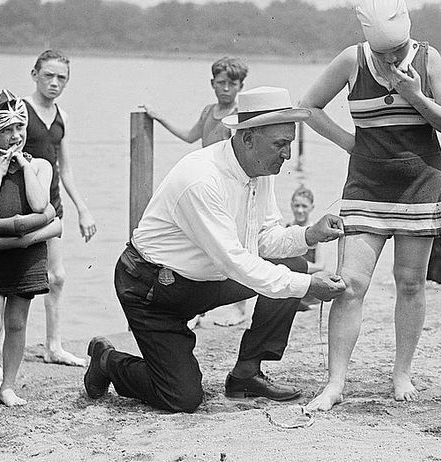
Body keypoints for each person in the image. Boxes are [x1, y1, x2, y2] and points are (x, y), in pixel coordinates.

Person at [82, 86, 347, 413]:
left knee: (293, 265)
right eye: (281, 144)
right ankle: (109, 361)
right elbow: (236, 262)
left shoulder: (259, 167)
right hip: (152, 290)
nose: (288, 155)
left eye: (290, 144)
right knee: (182, 398)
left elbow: (263, 239)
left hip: (205, 281)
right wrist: (309, 286)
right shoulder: (202, 180)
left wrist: (309, 235)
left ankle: (246, 374)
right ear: (247, 138)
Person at [300, 0, 441, 411]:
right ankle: (335, 383)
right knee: (350, 285)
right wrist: (350, 143)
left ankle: (401, 373)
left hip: (420, 185)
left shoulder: (429, 60)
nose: (391, 60)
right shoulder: (352, 59)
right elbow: (309, 107)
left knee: (410, 284)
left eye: (397, 50)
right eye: (384, 52)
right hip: (366, 187)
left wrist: (415, 95)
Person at [0, 90, 62, 406]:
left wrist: (22, 165)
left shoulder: (41, 166)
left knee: (17, 324)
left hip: (26, 256)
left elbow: (39, 203)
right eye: (6, 130)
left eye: (20, 127)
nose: (15, 136)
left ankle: (7, 385)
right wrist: (1, 170)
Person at [141, 56, 250, 328]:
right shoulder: (208, 111)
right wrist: (160, 117)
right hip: (206, 185)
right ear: (212, 83)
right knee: (199, 245)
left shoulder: (239, 114)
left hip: (230, 186)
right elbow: (190, 136)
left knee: (234, 243)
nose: (226, 88)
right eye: (221, 83)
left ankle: (239, 308)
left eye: (232, 84)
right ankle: (198, 310)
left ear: (240, 86)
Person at [23, 50, 96, 367]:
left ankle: (54, 346)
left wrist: (83, 210)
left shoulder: (62, 116)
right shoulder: (20, 111)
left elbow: (64, 169)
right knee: (14, 282)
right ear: (35, 74)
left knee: (58, 276)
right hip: (22, 207)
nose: (54, 83)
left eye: (61, 78)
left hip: (52, 208)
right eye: (49, 75)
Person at [288, 186, 326, 311]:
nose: (300, 210)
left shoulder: (317, 231)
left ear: (312, 208)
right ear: (291, 205)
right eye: (297, 205)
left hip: (309, 293)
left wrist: (295, 265)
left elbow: (320, 266)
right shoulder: (286, 229)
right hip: (290, 288)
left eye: (304, 206)